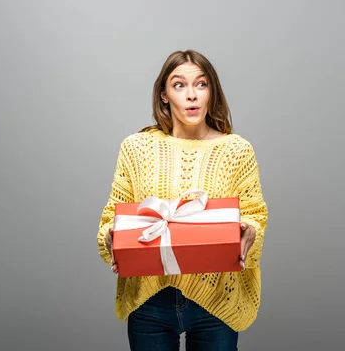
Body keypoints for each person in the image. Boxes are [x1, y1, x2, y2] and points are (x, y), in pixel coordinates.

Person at [97, 50, 268, 350]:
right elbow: (113, 215)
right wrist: (111, 238)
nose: (191, 95)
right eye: (179, 85)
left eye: (201, 85)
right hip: (150, 299)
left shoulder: (236, 150)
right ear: (164, 94)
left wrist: (250, 232)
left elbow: (254, 214)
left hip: (216, 299)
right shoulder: (136, 148)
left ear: (211, 91)